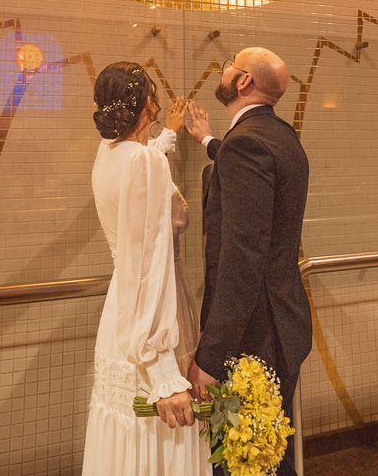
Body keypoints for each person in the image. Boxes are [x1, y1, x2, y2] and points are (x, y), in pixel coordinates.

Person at [185, 47, 312, 476]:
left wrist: (212, 355)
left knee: (246, 462)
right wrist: (207, 141)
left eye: (229, 65)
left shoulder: (246, 147)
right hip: (283, 325)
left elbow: (241, 258)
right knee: (274, 456)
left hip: (252, 336)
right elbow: (245, 169)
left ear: (243, 82)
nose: (222, 71)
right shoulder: (280, 138)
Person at [83, 62, 210, 475]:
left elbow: (142, 175)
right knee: (162, 437)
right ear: (149, 104)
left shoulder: (108, 155)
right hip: (153, 311)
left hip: (120, 315)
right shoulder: (144, 163)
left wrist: (166, 137)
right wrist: (162, 375)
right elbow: (148, 268)